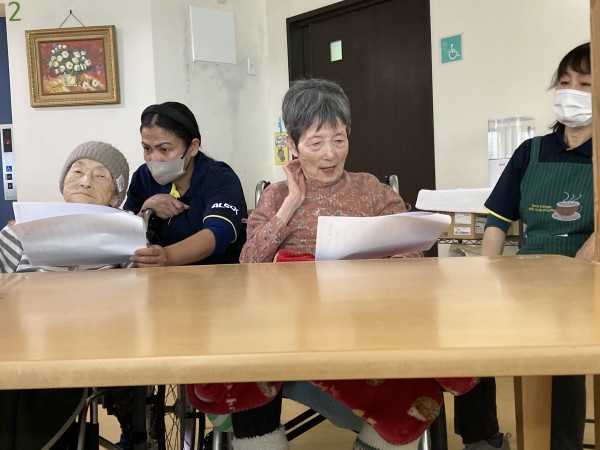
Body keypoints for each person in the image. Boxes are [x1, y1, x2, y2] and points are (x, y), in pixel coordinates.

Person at [187, 79, 479, 450]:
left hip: (360, 324)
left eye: (339, 140)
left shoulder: (370, 190)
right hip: (287, 327)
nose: (330, 154)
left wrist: (391, 260)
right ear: (293, 145)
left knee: (415, 375)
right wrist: (291, 203)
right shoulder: (277, 195)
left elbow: (410, 252)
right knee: (241, 362)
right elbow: (250, 262)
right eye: (316, 143)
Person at [455, 42, 595, 450]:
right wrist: (487, 275)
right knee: (471, 338)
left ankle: (561, 444)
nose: (570, 92)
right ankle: (481, 438)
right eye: (564, 82)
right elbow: (498, 221)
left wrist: (579, 271)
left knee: (562, 355)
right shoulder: (531, 151)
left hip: (583, 283)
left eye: (585, 84)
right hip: (529, 277)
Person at [0, 141, 130, 449]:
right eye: (77, 171)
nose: (85, 181)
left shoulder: (126, 234)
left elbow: (140, 294)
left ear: (115, 196)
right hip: (21, 335)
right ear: (63, 183)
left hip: (84, 339)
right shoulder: (21, 230)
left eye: (100, 176)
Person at [124, 101, 247, 267]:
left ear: (193, 147)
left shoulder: (219, 178)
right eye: (147, 149)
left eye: (164, 149)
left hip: (218, 275)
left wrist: (166, 256)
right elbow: (124, 235)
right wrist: (145, 210)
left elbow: (218, 233)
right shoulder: (143, 177)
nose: (154, 158)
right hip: (157, 278)